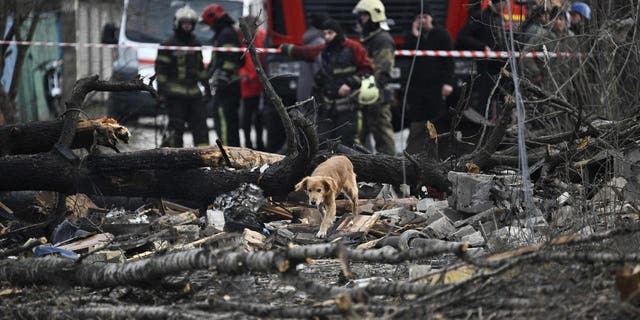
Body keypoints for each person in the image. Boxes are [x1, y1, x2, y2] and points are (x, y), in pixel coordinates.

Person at [280, 19, 375, 148]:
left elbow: (368, 69)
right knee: (324, 144)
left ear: (338, 33)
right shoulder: (323, 49)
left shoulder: (354, 47)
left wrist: (350, 83)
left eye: (330, 33)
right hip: (327, 108)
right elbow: (307, 52)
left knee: (348, 143)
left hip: (348, 107)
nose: (327, 37)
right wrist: (287, 48)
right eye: (324, 34)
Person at [155, 5, 210, 148]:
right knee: (176, 130)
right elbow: (160, 72)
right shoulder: (168, 44)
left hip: (194, 93)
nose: (187, 26)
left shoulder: (196, 43)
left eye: (190, 23)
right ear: (178, 23)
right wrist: (160, 93)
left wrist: (207, 88)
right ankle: (174, 161)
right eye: (184, 23)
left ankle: (205, 159)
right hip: (175, 95)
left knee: (201, 129)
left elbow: (200, 69)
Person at [403, 6, 454, 155]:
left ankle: (438, 152)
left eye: (425, 17)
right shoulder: (412, 36)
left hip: (436, 85)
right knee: (417, 120)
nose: (422, 20)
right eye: (419, 18)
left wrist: (448, 82)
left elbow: (449, 61)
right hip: (417, 86)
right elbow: (407, 56)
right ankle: (413, 151)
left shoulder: (442, 34)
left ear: (431, 18)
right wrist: (414, 35)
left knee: (436, 118)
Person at [352, 0, 396, 155]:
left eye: (363, 15)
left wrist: (371, 89)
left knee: (383, 137)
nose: (360, 19)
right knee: (358, 137)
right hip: (363, 94)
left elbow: (382, 69)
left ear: (373, 16)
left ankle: (391, 171)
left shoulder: (382, 39)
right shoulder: (368, 38)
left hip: (376, 96)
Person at [200, 4, 244, 147]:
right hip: (228, 86)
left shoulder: (225, 34)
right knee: (228, 122)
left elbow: (231, 59)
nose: (209, 26)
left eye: (208, 23)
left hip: (227, 87)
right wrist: (208, 74)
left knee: (225, 123)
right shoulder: (225, 33)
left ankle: (228, 155)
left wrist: (222, 75)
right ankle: (231, 153)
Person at [456, 0, 508, 117]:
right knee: (484, 94)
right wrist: (482, 47)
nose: (506, 6)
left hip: (499, 64)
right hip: (485, 65)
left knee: (497, 94)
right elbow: (462, 36)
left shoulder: (500, 18)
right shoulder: (480, 16)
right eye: (504, 3)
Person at [523, 7, 578, 95]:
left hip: (567, 83)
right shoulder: (542, 36)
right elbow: (525, 55)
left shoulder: (571, 38)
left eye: (561, 19)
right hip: (546, 82)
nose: (558, 22)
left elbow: (578, 59)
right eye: (555, 19)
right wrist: (536, 73)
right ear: (550, 20)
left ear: (565, 21)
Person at [238, 15, 265, 150]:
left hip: (260, 86)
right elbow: (239, 61)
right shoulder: (242, 40)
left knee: (259, 119)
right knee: (246, 118)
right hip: (247, 86)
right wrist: (242, 73)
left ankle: (259, 143)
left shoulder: (262, 38)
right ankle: (248, 143)